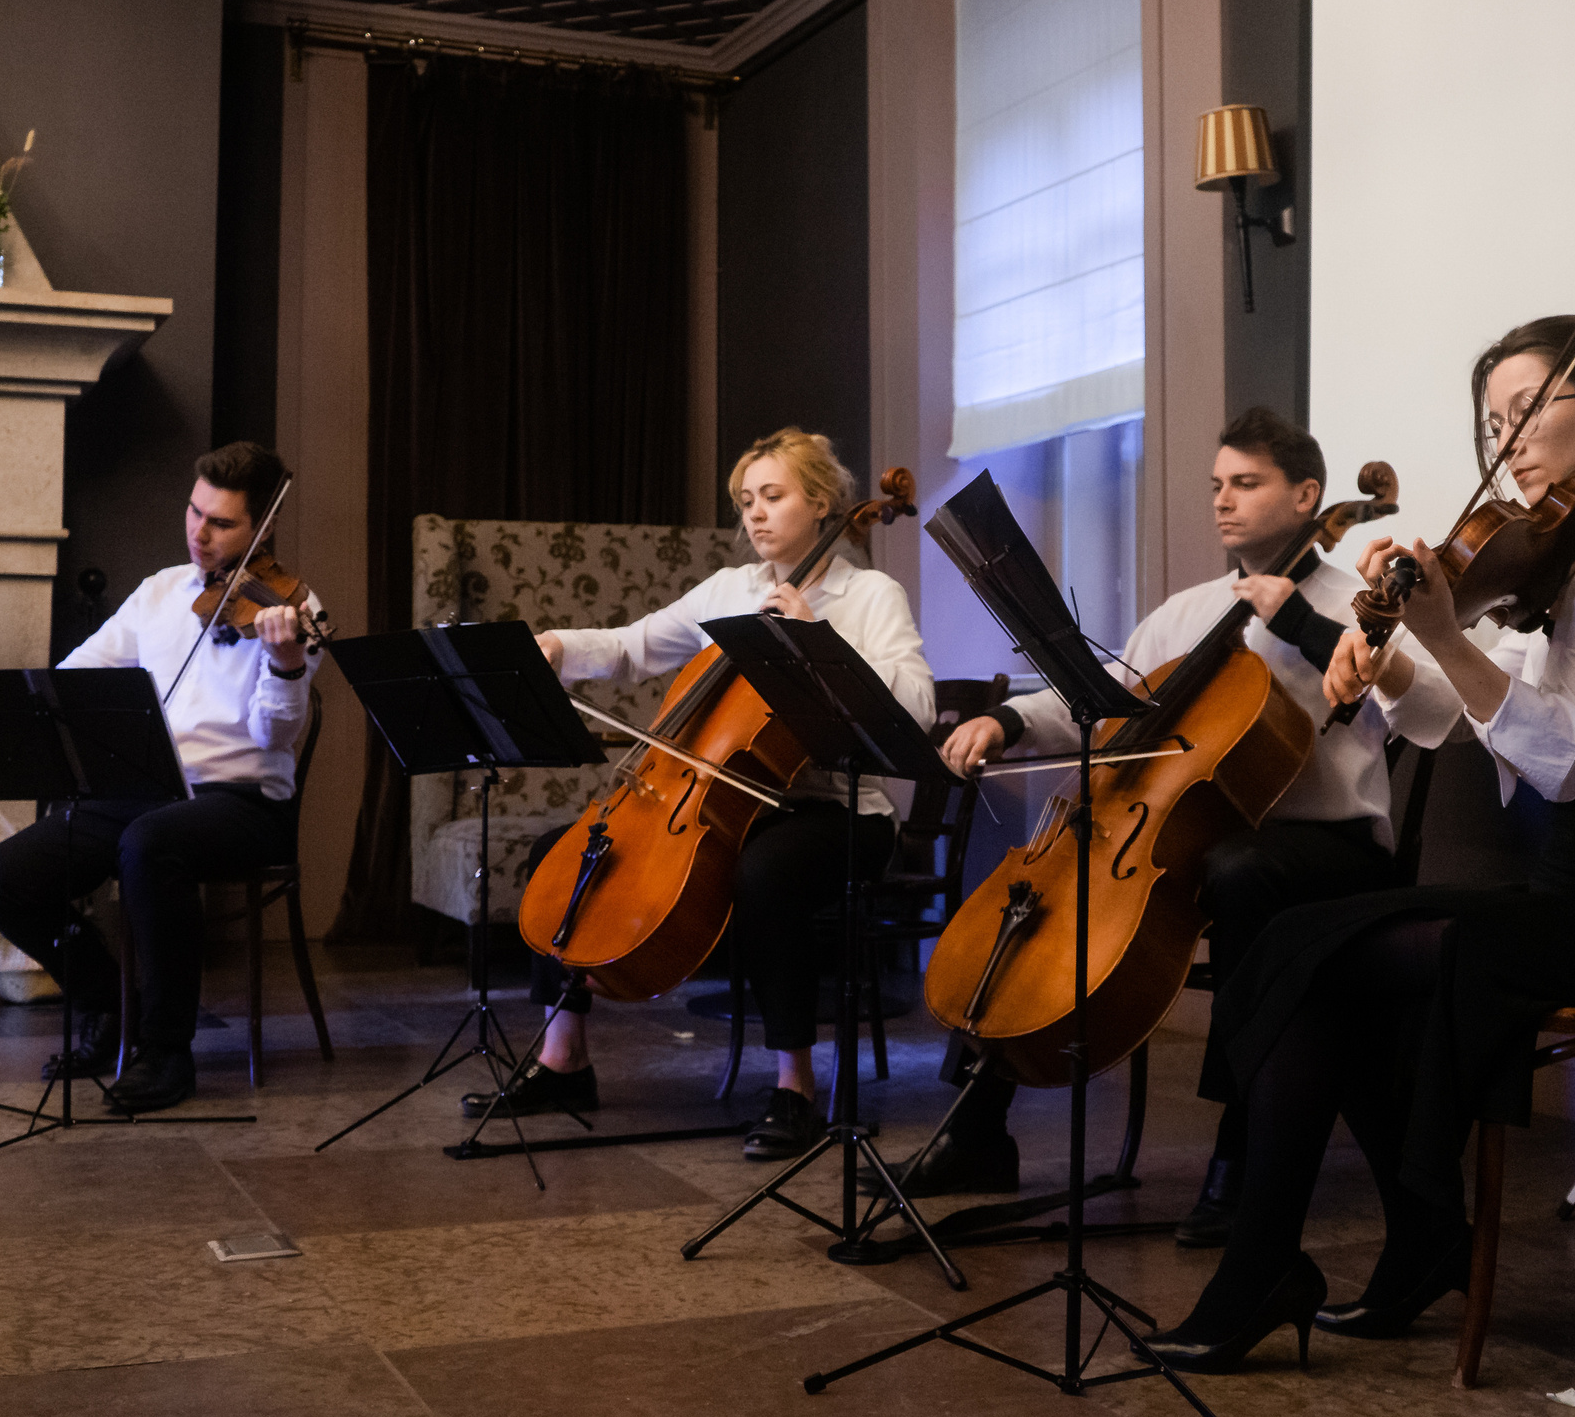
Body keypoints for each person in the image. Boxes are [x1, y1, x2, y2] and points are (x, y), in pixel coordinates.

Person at [1145, 316, 1575, 1370]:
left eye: (1530, 410)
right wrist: (1395, 664)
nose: (1509, 442)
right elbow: (1472, 717)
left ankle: (1292, 1261)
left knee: (1310, 950)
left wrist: (1444, 632)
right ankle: (1368, 1245)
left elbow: (1562, 755)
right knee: (1305, 945)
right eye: (1494, 423)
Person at [900, 409, 1459, 1246]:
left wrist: (1301, 623)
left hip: (1329, 844)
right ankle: (979, 1126)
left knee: (1241, 872)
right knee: (1052, 888)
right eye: (1217, 485)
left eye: (1247, 483)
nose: (1223, 500)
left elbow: (1428, 706)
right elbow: (1104, 698)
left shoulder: (1364, 604)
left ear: (1307, 495)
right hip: (1204, 837)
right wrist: (1009, 721)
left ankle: (1244, 1146)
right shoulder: (1191, 609)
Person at [463, 427, 935, 1161]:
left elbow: (919, 707)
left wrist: (819, 644)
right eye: (746, 500)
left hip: (838, 809)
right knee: (563, 851)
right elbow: (635, 644)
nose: (755, 513)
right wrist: (560, 645)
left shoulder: (871, 593)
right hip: (733, 797)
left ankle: (795, 1087)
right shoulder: (731, 590)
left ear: (822, 502)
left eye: (772, 495)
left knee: (766, 875)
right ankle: (564, 1061)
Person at [0, 442, 323, 1114]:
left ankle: (166, 1052)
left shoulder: (289, 611)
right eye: (194, 512)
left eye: (221, 522)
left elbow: (274, 736)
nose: (199, 532)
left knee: (150, 843)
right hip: (145, 792)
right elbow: (75, 674)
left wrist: (285, 666)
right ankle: (109, 1000)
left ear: (264, 526)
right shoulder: (160, 591)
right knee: (0, 878)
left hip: (242, 802)